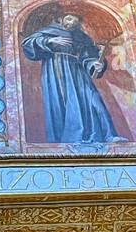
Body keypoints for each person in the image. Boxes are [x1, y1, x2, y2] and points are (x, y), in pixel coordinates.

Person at [21, 12, 121, 144]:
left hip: (78, 71)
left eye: (75, 20)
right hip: (56, 70)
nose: (71, 22)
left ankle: (108, 135)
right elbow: (28, 43)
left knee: (93, 100)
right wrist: (49, 40)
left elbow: (87, 56)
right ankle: (69, 140)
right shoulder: (48, 31)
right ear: (60, 18)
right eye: (69, 18)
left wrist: (95, 64)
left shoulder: (82, 37)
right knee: (62, 103)